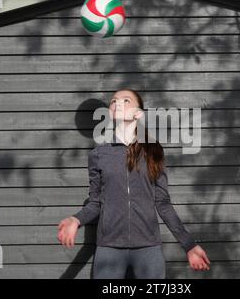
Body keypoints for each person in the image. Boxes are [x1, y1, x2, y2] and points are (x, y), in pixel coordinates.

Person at [57, 88, 210, 279]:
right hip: (109, 249)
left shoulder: (154, 151)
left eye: (126, 100)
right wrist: (76, 220)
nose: (117, 103)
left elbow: (162, 203)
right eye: (114, 101)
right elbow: (96, 202)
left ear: (138, 113)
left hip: (148, 249)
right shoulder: (98, 155)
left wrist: (189, 244)